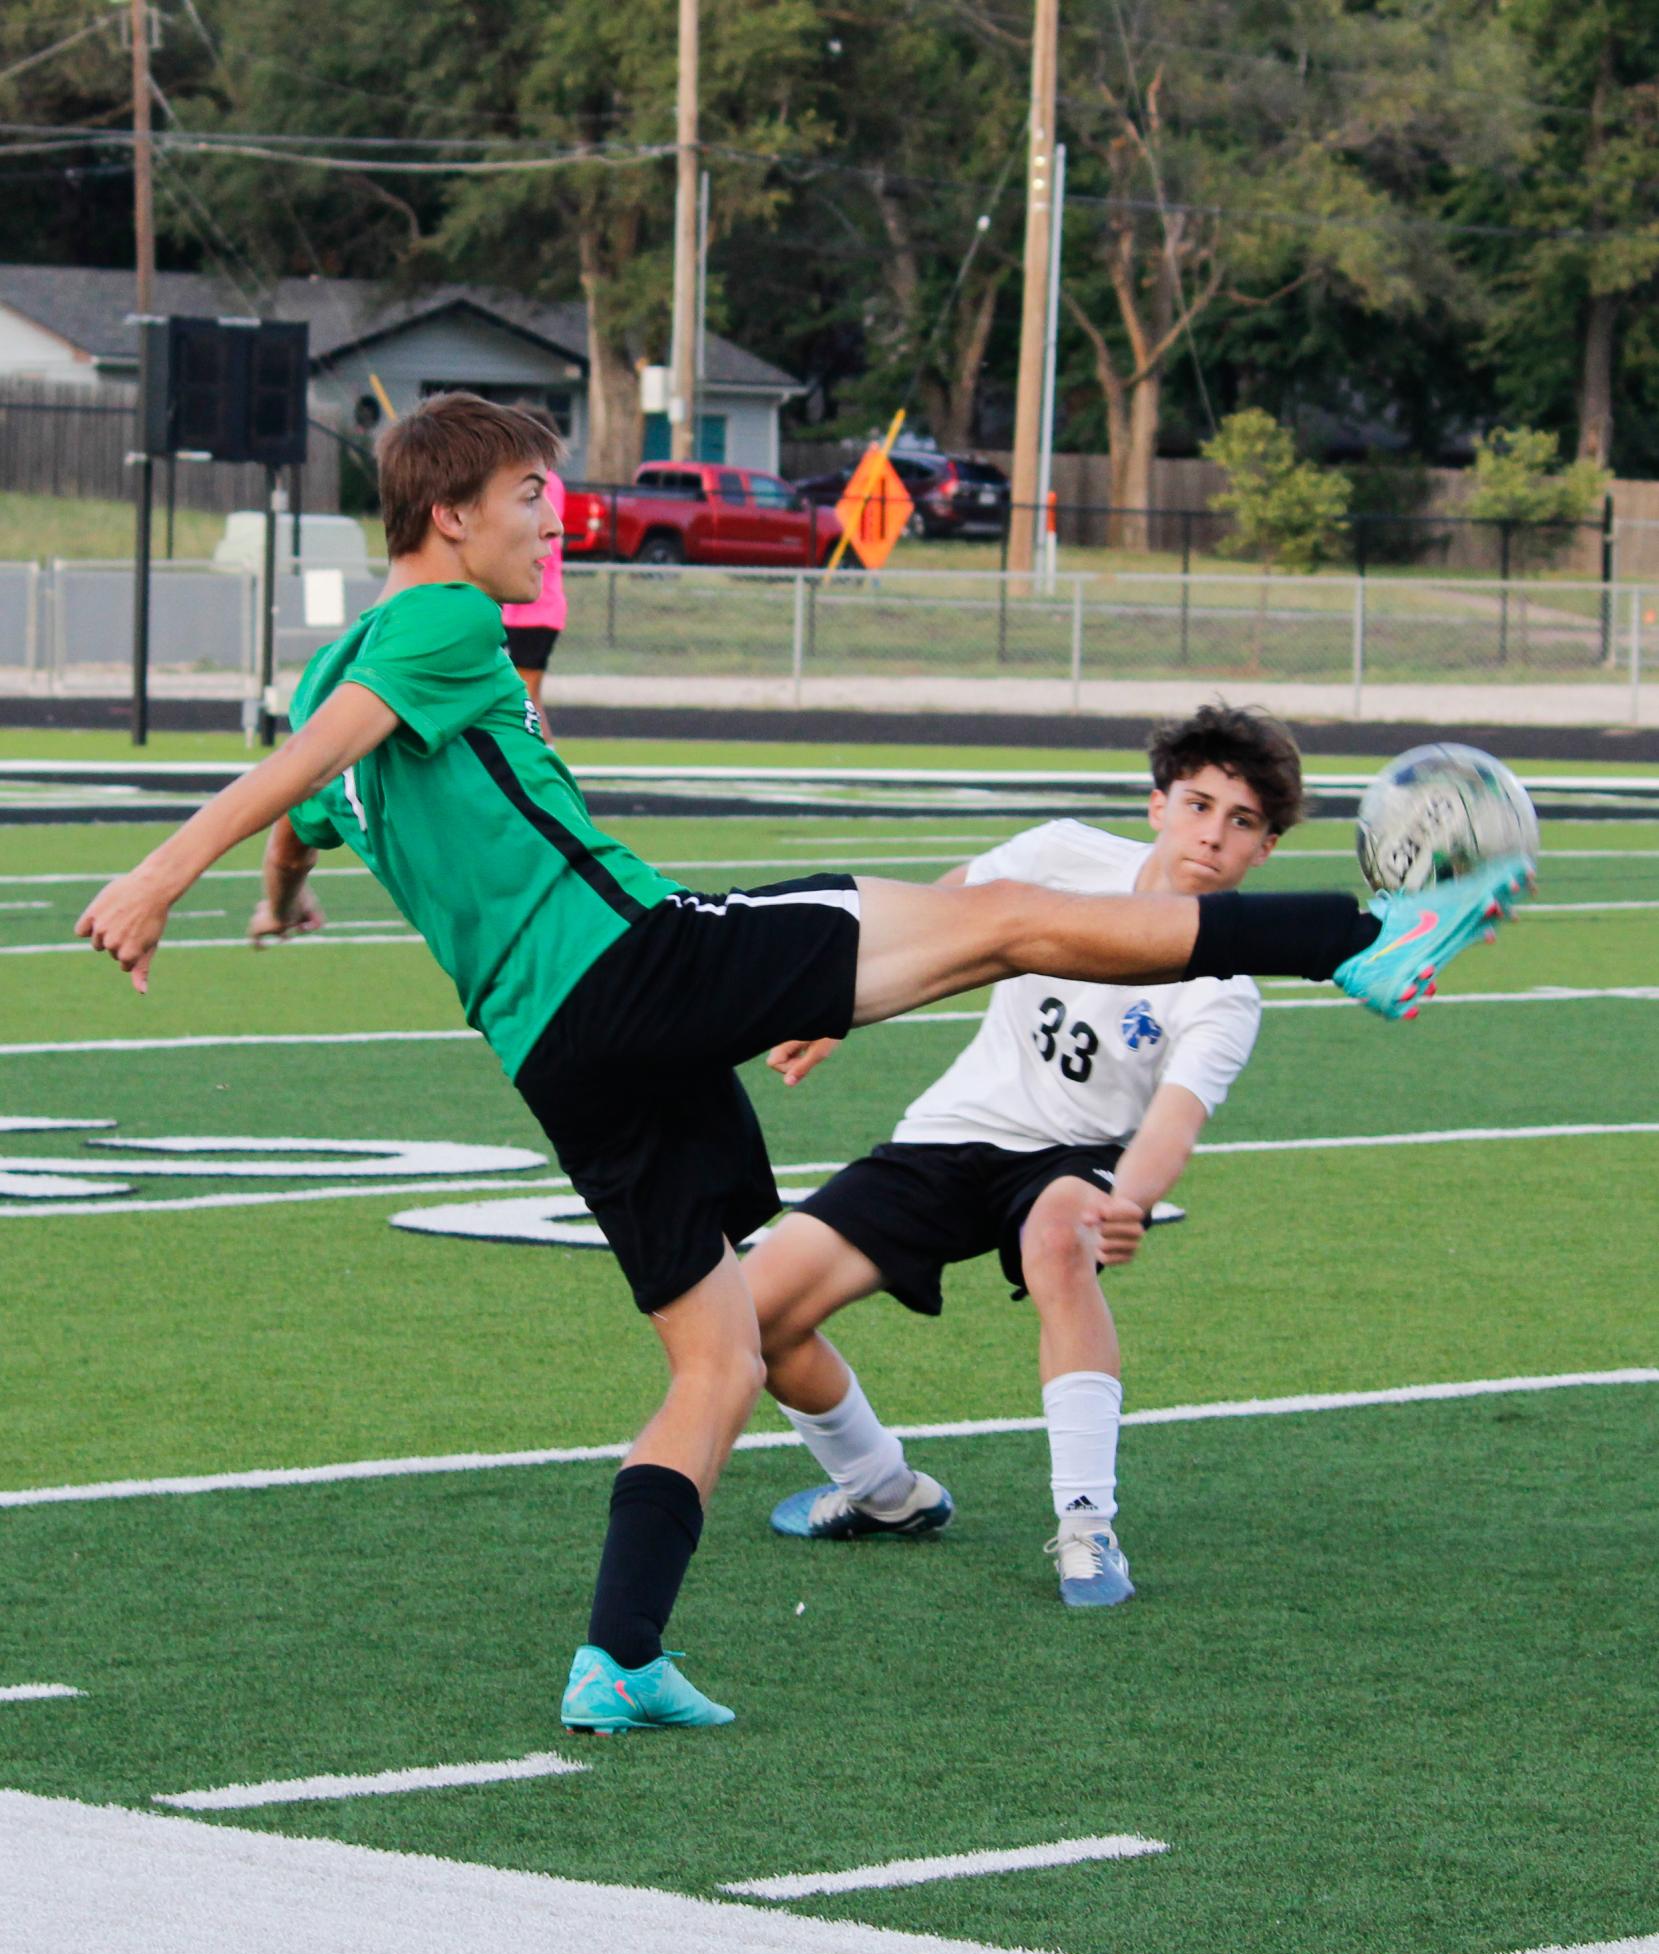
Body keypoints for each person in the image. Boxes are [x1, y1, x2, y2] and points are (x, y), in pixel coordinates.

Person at [75, 394, 1530, 1736]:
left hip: (556, 1053)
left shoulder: (352, 666)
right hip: (637, 962)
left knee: (715, 1354)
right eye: (533, 497)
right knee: (1006, 923)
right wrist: (162, 876)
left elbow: (313, 790)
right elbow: (314, 754)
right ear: (450, 516)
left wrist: (278, 896)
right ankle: (1362, 935)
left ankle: (619, 1656)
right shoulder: (444, 620)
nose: (553, 522)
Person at [749, 706, 1302, 1606]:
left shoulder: (1224, 990)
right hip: (951, 1134)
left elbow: (1171, 1120)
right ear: (1157, 802)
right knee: (753, 1318)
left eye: (1241, 822)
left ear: (1264, 849)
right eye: (1199, 805)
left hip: (1075, 1159)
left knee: (1058, 1237)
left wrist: (1131, 1195)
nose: (1213, 834)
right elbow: (937, 918)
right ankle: (883, 1491)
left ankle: (1087, 1528)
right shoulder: (1058, 856)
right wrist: (833, 1007)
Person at [500, 457, 565, 740]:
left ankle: (542, 766)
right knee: (523, 695)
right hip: (516, 611)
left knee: (526, 696)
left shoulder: (543, 483)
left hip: (537, 611)